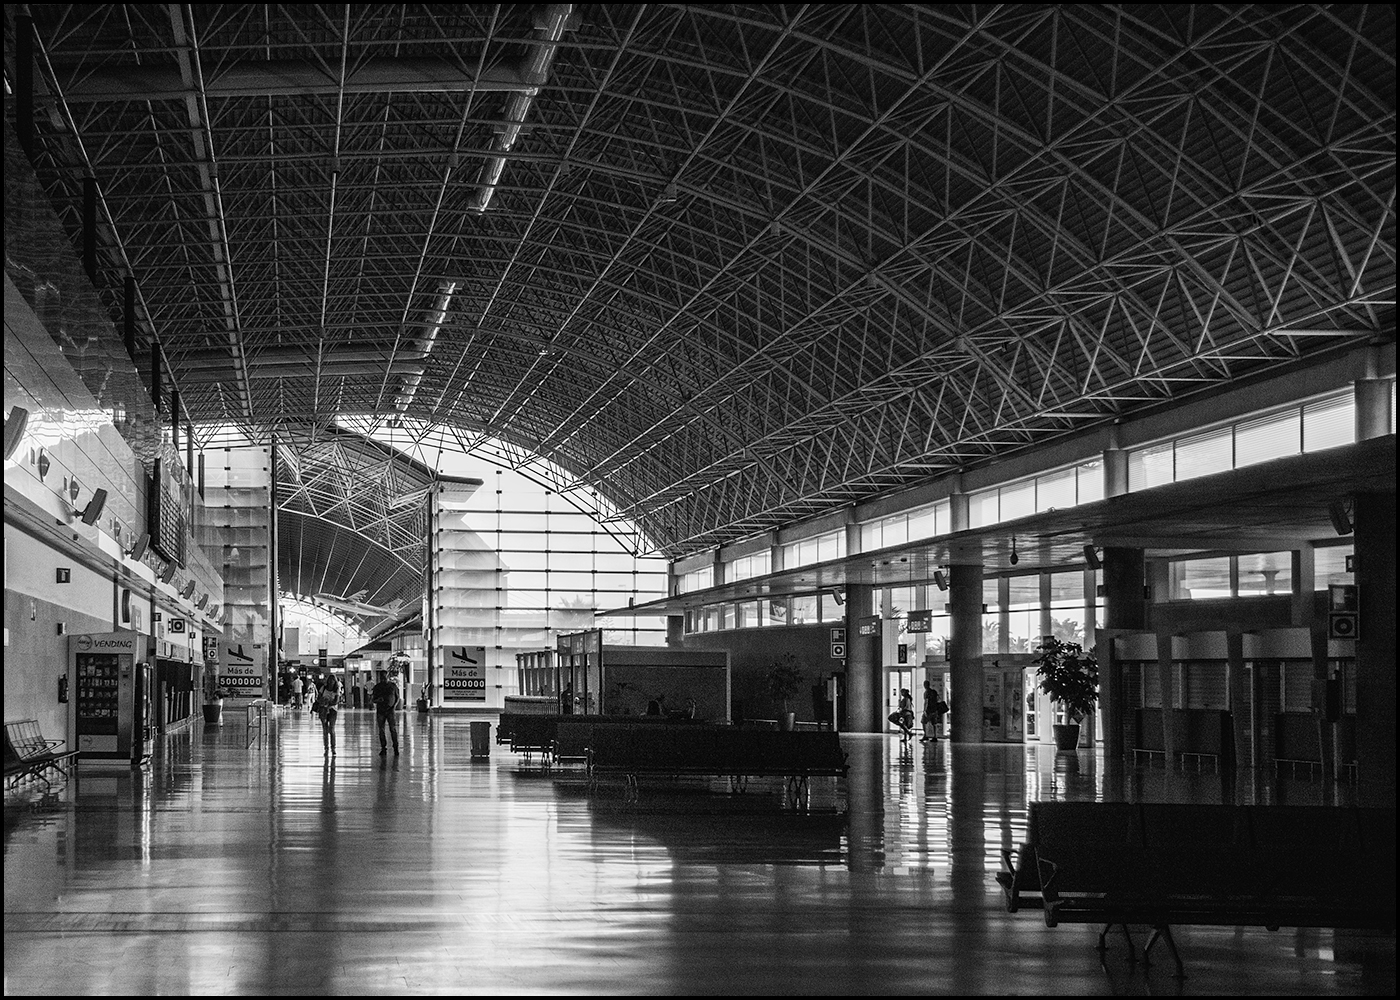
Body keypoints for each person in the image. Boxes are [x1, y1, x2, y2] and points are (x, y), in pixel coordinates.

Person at [371, 673, 402, 756]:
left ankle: (395, 747)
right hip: (381, 710)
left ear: (387, 677)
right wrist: (378, 700)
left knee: (393, 729)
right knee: (381, 730)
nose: (383, 679)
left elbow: (397, 697)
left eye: (385, 677)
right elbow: (373, 699)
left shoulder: (393, 686)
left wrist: (394, 706)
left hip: (390, 710)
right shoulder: (377, 687)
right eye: (382, 678)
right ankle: (383, 748)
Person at [315, 674, 341, 757]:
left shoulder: (337, 689)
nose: (330, 682)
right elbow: (318, 697)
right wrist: (322, 702)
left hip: (333, 710)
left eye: (332, 681)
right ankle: (326, 747)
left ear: (335, 682)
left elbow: (336, 701)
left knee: (332, 729)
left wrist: (328, 703)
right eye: (329, 680)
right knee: (325, 730)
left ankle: (333, 748)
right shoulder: (323, 688)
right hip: (323, 710)